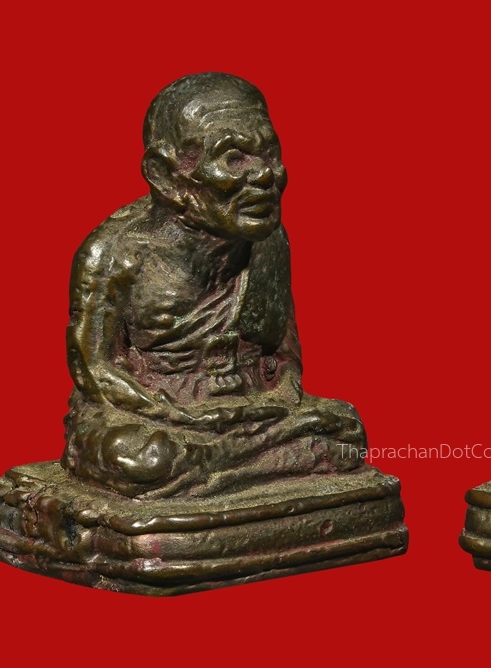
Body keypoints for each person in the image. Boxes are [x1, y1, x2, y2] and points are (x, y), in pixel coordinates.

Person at [62, 73, 365, 499]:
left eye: (270, 153)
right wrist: (180, 417)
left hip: (251, 410)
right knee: (140, 459)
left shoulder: (267, 242)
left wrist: (274, 400)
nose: (265, 174)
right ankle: (236, 464)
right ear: (165, 176)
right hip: (157, 418)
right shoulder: (114, 254)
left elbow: (282, 356)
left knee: (345, 432)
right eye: (234, 158)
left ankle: (212, 468)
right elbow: (95, 371)